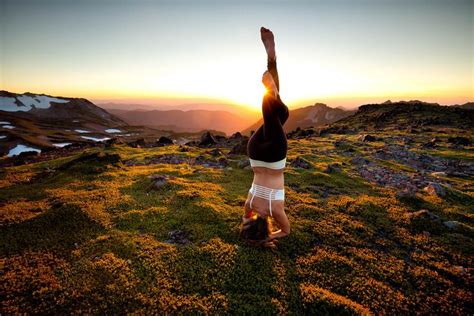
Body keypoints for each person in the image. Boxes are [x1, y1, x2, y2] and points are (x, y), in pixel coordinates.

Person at [241, 27, 290, 246]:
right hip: (254, 153)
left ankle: (272, 91)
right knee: (275, 116)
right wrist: (247, 227)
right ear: (251, 223)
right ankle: (272, 62)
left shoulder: (275, 210)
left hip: (275, 157)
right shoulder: (249, 205)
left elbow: (286, 231)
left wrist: (270, 237)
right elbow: (245, 218)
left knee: (280, 114)